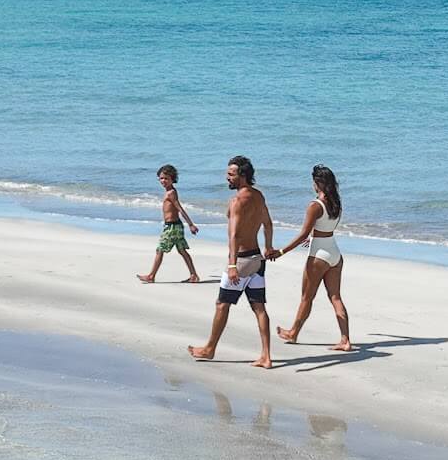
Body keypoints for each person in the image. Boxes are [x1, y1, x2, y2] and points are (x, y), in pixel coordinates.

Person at [187, 154, 277, 368]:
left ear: (242, 176)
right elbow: (268, 223)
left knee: (222, 305)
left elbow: (234, 235)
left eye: (230, 174)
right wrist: (269, 247)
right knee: (259, 308)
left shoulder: (237, 201)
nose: (226, 177)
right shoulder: (258, 196)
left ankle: (209, 349)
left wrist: (232, 265)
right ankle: (266, 356)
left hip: (243, 261)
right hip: (258, 259)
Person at [273, 164, 354, 351]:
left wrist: (282, 251)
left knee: (306, 298)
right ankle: (345, 339)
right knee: (335, 297)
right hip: (334, 252)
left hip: (319, 255)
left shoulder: (315, 205)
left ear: (317, 183)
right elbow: (326, 228)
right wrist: (314, 238)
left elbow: (303, 234)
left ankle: (293, 333)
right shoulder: (337, 203)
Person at [137, 163, 202, 283]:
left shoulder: (171, 193)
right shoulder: (169, 191)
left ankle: (151, 276)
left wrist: (191, 224)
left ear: (172, 179)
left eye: (166, 178)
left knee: (160, 250)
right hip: (175, 225)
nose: (163, 181)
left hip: (172, 227)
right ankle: (194, 275)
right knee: (182, 250)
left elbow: (180, 209)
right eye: (161, 178)